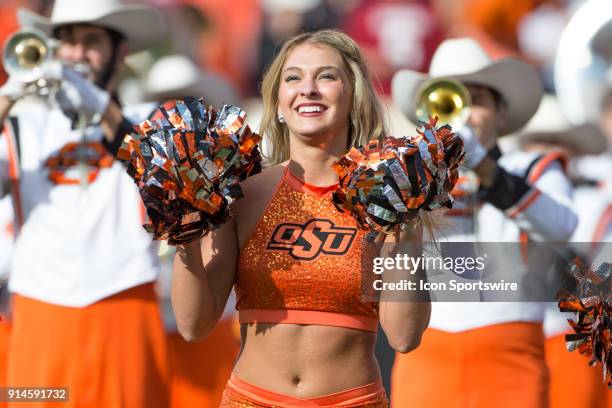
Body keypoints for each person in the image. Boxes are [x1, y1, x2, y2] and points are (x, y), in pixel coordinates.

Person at [172, 29, 431, 408]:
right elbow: (194, 326)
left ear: (353, 96)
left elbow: (405, 337)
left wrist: (407, 232)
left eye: (326, 76)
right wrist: (184, 237)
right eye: (293, 78)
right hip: (251, 400)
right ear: (278, 101)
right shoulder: (243, 193)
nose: (307, 88)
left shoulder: (388, 196)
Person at [390, 38, 578, 407]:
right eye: (448, 98)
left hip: (511, 361)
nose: (462, 112)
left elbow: (562, 227)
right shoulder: (411, 177)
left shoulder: (533, 168)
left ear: (502, 114)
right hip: (425, 356)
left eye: (476, 99)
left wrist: (483, 166)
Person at [0, 1, 169, 406]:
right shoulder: (23, 122)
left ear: (120, 53)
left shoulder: (148, 117)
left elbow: (158, 169)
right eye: (68, 43)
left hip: (125, 303)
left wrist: (96, 102)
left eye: (91, 42)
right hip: (40, 311)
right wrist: (8, 95)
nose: (76, 54)